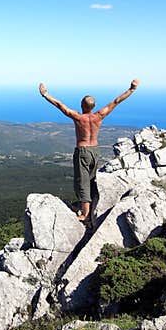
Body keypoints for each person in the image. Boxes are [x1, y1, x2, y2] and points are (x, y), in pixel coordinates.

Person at [39, 79, 140, 224]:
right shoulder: (99, 115)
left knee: (82, 182)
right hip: (95, 151)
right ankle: (86, 205)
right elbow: (116, 101)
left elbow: (61, 106)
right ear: (94, 106)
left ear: (81, 105)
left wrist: (45, 94)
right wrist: (131, 89)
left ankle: (85, 214)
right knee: (91, 180)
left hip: (83, 151)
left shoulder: (79, 118)